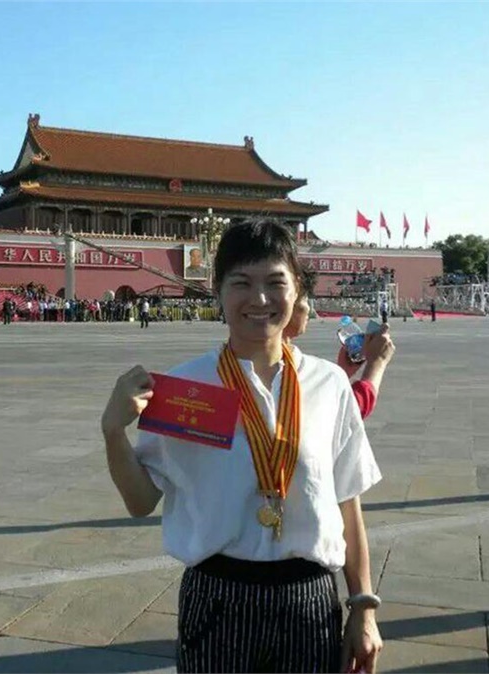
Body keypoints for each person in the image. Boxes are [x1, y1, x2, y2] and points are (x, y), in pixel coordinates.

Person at [102, 220, 383, 673]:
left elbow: (348, 504)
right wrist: (113, 431)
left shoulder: (328, 384)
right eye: (242, 283)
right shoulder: (186, 387)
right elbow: (140, 501)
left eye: (275, 282)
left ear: (297, 290)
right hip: (218, 601)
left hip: (309, 603)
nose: (260, 299)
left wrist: (364, 607)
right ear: (217, 291)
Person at [284, 281, 396, 420]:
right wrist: (377, 362)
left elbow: (325, 399)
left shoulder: (288, 359)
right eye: (304, 299)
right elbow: (346, 411)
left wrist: (342, 372)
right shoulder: (281, 367)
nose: (308, 308)